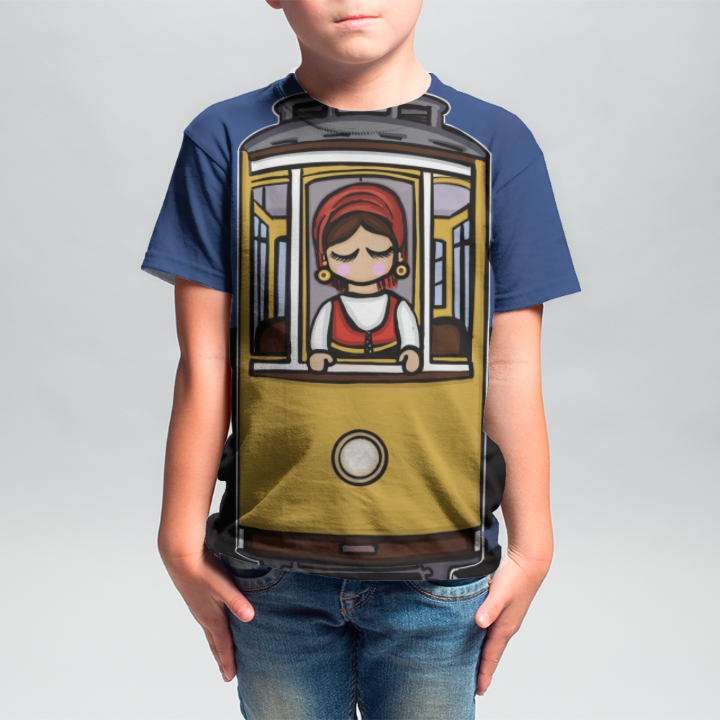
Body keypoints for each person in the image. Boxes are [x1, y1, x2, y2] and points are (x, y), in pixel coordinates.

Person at [141, 1, 581, 718]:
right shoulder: (223, 137)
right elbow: (204, 360)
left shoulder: (499, 142)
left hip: (441, 571)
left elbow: (511, 367)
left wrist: (534, 546)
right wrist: (179, 539)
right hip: (269, 569)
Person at [308, 182, 421, 374]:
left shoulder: (399, 307)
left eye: (378, 254)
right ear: (325, 259)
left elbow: (410, 341)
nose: (362, 264)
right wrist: (319, 353)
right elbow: (318, 343)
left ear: (397, 255)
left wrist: (411, 351)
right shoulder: (330, 308)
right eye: (345, 257)